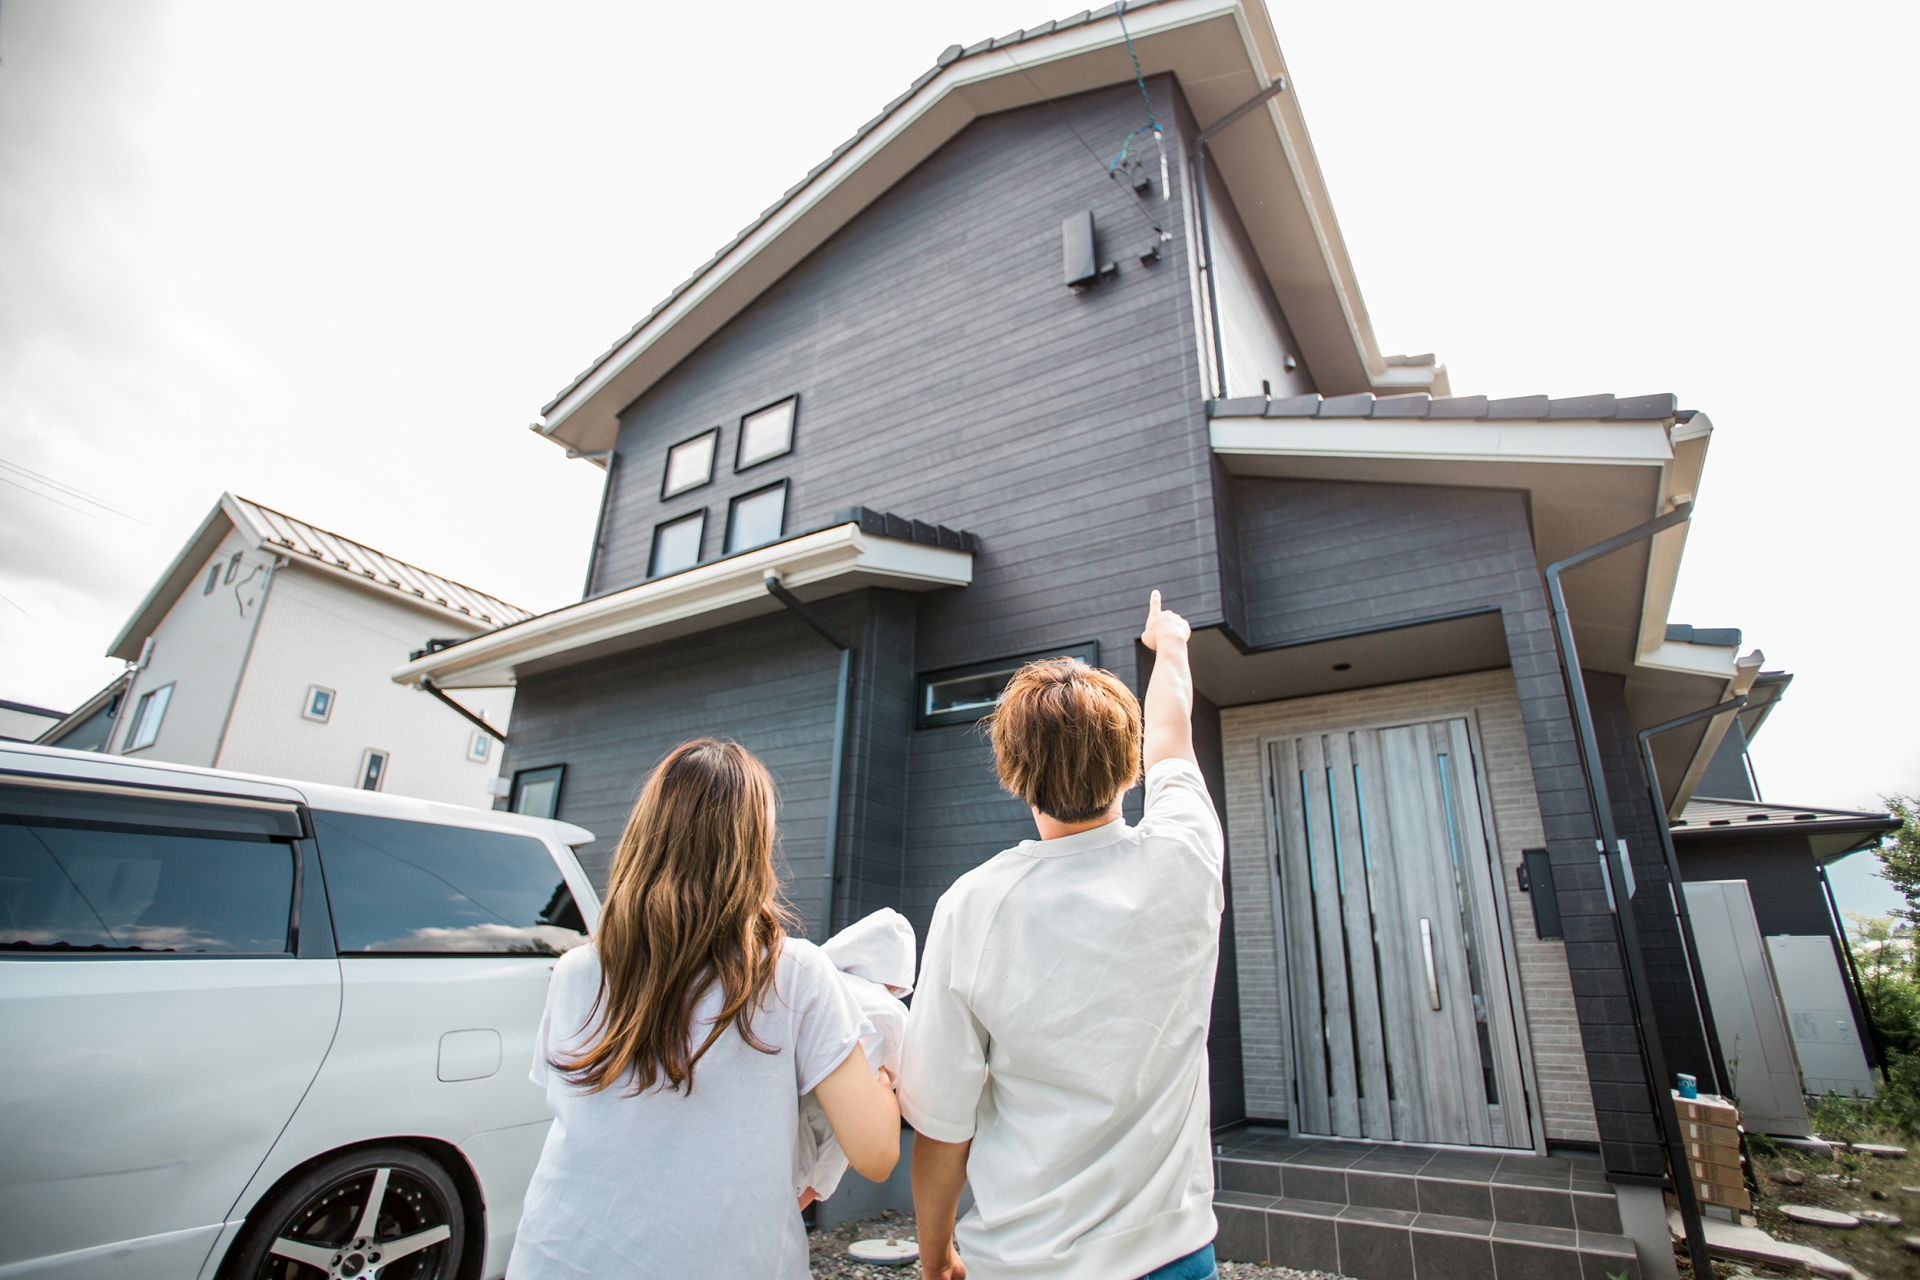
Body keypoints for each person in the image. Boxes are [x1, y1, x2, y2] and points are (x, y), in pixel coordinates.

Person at [898, 591, 1225, 1280]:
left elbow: (942, 1128)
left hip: (1023, 1264)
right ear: (1130, 768)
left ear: (1014, 776)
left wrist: (935, 1260)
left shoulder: (973, 907)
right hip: (1176, 1255)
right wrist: (1170, 643)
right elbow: (1171, 727)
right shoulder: (1185, 857)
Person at [507, 738, 900, 1279]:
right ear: (753, 847)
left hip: (557, 1257)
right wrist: (880, 1078)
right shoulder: (791, 973)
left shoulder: (578, 971)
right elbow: (877, 1153)